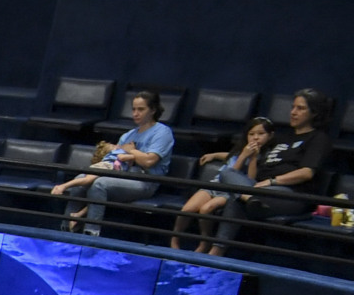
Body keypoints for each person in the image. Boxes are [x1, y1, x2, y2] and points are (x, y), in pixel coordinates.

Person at [213, 90, 334, 255]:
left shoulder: (318, 139)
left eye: (300, 108)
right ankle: (250, 199)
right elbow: (252, 177)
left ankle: (216, 251)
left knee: (238, 198)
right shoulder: (282, 138)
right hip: (260, 191)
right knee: (227, 173)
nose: (293, 112)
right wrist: (253, 158)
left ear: (314, 113)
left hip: (293, 195)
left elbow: (307, 173)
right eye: (293, 107)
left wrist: (273, 181)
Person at [52, 88, 173, 234]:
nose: (135, 113)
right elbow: (116, 161)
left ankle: (91, 233)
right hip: (121, 175)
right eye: (133, 109)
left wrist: (131, 151)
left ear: (153, 110)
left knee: (100, 184)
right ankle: (66, 230)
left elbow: (149, 162)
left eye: (141, 109)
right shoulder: (127, 136)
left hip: (145, 181)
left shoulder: (162, 132)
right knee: (81, 179)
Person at [175, 116, 273, 250]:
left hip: (232, 190)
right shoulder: (240, 149)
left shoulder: (268, 156)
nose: (255, 138)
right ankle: (175, 239)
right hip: (216, 183)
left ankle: (205, 241)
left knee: (206, 209)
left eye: (261, 134)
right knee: (187, 209)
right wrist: (214, 154)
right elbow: (229, 157)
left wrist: (251, 157)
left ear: (270, 136)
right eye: (252, 134)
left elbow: (247, 180)